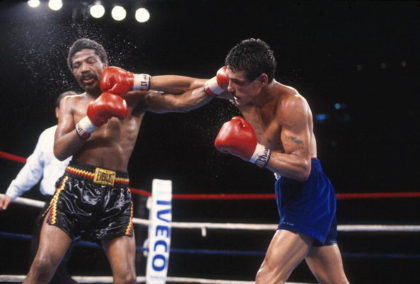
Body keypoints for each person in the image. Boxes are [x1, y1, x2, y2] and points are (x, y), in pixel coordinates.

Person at [23, 38, 210, 284]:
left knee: (127, 277)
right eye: (77, 65)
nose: (84, 68)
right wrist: (91, 121)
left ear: (105, 62)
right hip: (76, 187)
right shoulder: (71, 103)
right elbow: (59, 150)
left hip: (116, 192)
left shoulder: (133, 96)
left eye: (90, 61)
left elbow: (182, 101)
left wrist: (214, 86)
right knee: (44, 265)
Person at [205, 38, 350, 283]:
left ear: (261, 80)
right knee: (333, 280)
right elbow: (189, 87)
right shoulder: (241, 92)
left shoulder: (291, 104)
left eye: (238, 83)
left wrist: (253, 152)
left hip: (308, 191)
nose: (230, 89)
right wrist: (141, 83)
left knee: (267, 278)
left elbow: (303, 168)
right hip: (288, 189)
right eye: (230, 80)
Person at [0, 91, 77, 284]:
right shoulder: (48, 135)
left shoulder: (87, 133)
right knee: (41, 261)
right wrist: (11, 192)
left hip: (76, 203)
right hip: (51, 204)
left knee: (49, 264)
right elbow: (33, 167)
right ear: (58, 111)